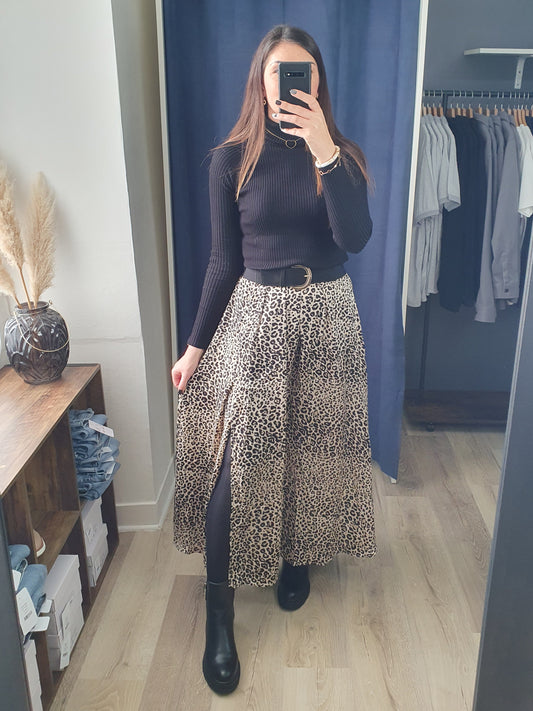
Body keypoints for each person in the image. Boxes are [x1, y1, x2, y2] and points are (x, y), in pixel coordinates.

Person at [171, 24, 376, 696]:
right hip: (258, 319)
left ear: (317, 82)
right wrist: (195, 346)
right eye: (278, 74)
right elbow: (222, 261)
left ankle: (297, 556)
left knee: (312, 452)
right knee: (241, 464)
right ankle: (219, 614)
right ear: (260, 85)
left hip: (329, 317)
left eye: (303, 73)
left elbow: (354, 238)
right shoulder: (230, 160)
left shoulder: (341, 155)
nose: (291, 84)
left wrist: (324, 153)